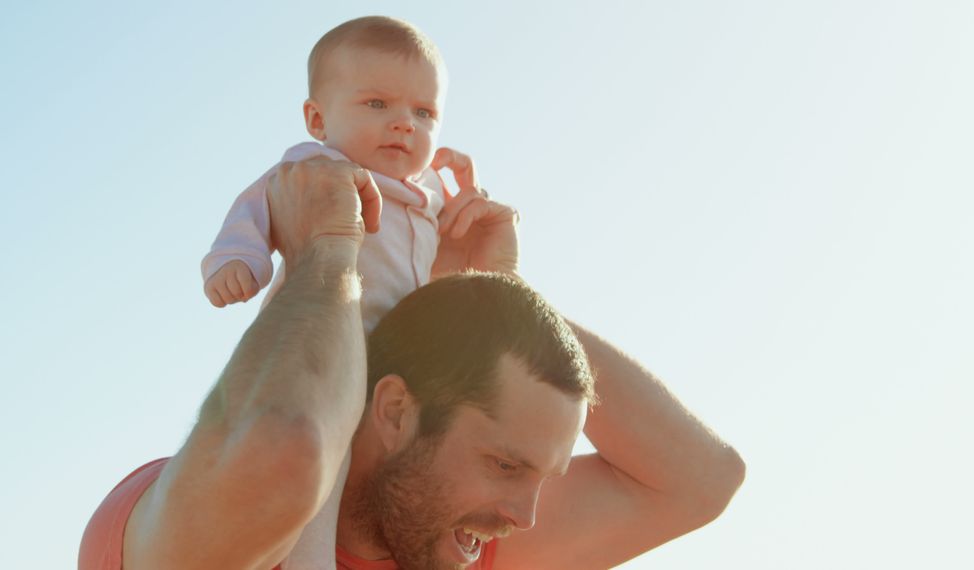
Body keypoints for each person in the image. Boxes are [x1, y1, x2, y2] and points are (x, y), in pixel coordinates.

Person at [79, 155, 745, 569]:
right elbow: (281, 450)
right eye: (507, 465)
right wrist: (329, 249)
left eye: (540, 476)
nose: (526, 514)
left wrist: (492, 292)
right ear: (395, 409)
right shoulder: (182, 517)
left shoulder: (468, 548)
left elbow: (702, 478)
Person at [199, 16, 498, 569]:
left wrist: (467, 206)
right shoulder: (320, 167)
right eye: (377, 105)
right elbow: (255, 206)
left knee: (421, 459)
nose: (404, 125)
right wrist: (236, 259)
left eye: (424, 112)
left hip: (398, 367)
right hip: (328, 352)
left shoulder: (428, 193)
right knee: (322, 464)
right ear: (318, 118)